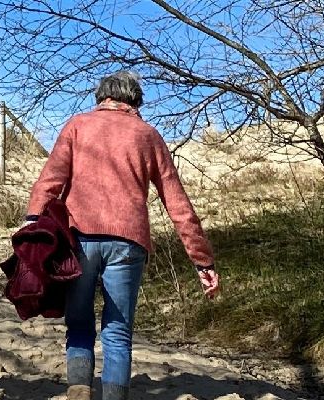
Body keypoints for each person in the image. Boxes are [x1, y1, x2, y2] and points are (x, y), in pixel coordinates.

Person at [22, 71, 220, 400]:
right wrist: (203, 262)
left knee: (79, 321)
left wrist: (32, 224)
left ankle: (79, 390)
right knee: (117, 331)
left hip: (80, 238)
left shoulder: (77, 125)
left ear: (102, 97)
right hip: (129, 242)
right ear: (135, 101)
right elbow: (178, 203)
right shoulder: (148, 135)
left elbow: (50, 181)